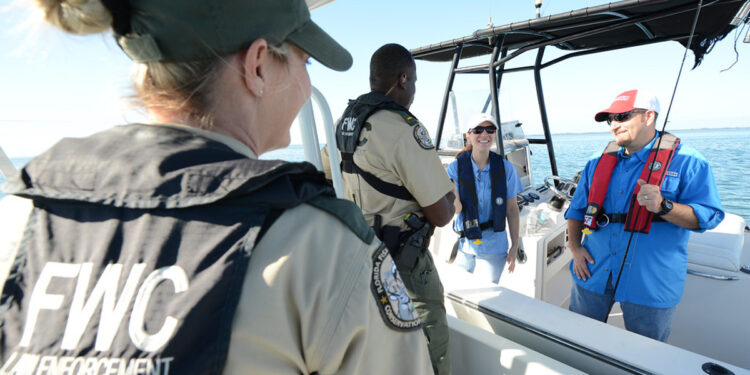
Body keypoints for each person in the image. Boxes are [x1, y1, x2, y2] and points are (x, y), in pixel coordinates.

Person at [0, 1, 435, 374]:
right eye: (304, 62)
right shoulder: (315, 247)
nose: (306, 85)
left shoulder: (22, 221)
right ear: (259, 65)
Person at [330, 43, 456, 374]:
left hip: (361, 256)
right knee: (431, 341)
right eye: (413, 81)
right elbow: (441, 215)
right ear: (403, 79)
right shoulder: (403, 128)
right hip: (405, 262)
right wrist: (452, 199)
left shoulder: (346, 121)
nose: (413, 90)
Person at [564, 89, 724, 342]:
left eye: (623, 116)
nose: (614, 125)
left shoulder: (689, 161)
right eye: (611, 119)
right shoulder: (597, 161)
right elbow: (577, 209)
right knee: (576, 340)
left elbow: (709, 216)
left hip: (651, 282)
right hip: (594, 271)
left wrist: (664, 206)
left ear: (648, 117)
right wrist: (574, 247)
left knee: (647, 354)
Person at [446, 113, 522, 284]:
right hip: (464, 243)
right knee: (462, 290)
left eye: (490, 129)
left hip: (495, 244)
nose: (484, 134)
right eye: (478, 130)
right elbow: (456, 209)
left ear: (495, 134)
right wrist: (454, 196)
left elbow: (512, 209)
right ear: (468, 136)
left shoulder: (506, 169)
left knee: (488, 290)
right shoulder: (454, 168)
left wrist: (514, 246)